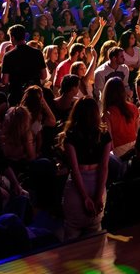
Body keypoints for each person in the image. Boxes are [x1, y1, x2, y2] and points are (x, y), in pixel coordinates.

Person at [58, 96, 112, 240]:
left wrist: (84, 197)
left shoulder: (70, 135)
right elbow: (104, 167)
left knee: (72, 234)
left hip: (77, 188)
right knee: (95, 236)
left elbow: (74, 170)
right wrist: (98, 195)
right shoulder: (104, 134)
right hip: (97, 185)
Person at [1, 24, 48, 105]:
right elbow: (44, 75)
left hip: (17, 97)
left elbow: (5, 80)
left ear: (12, 38)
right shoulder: (37, 53)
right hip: (35, 95)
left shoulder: (8, 56)